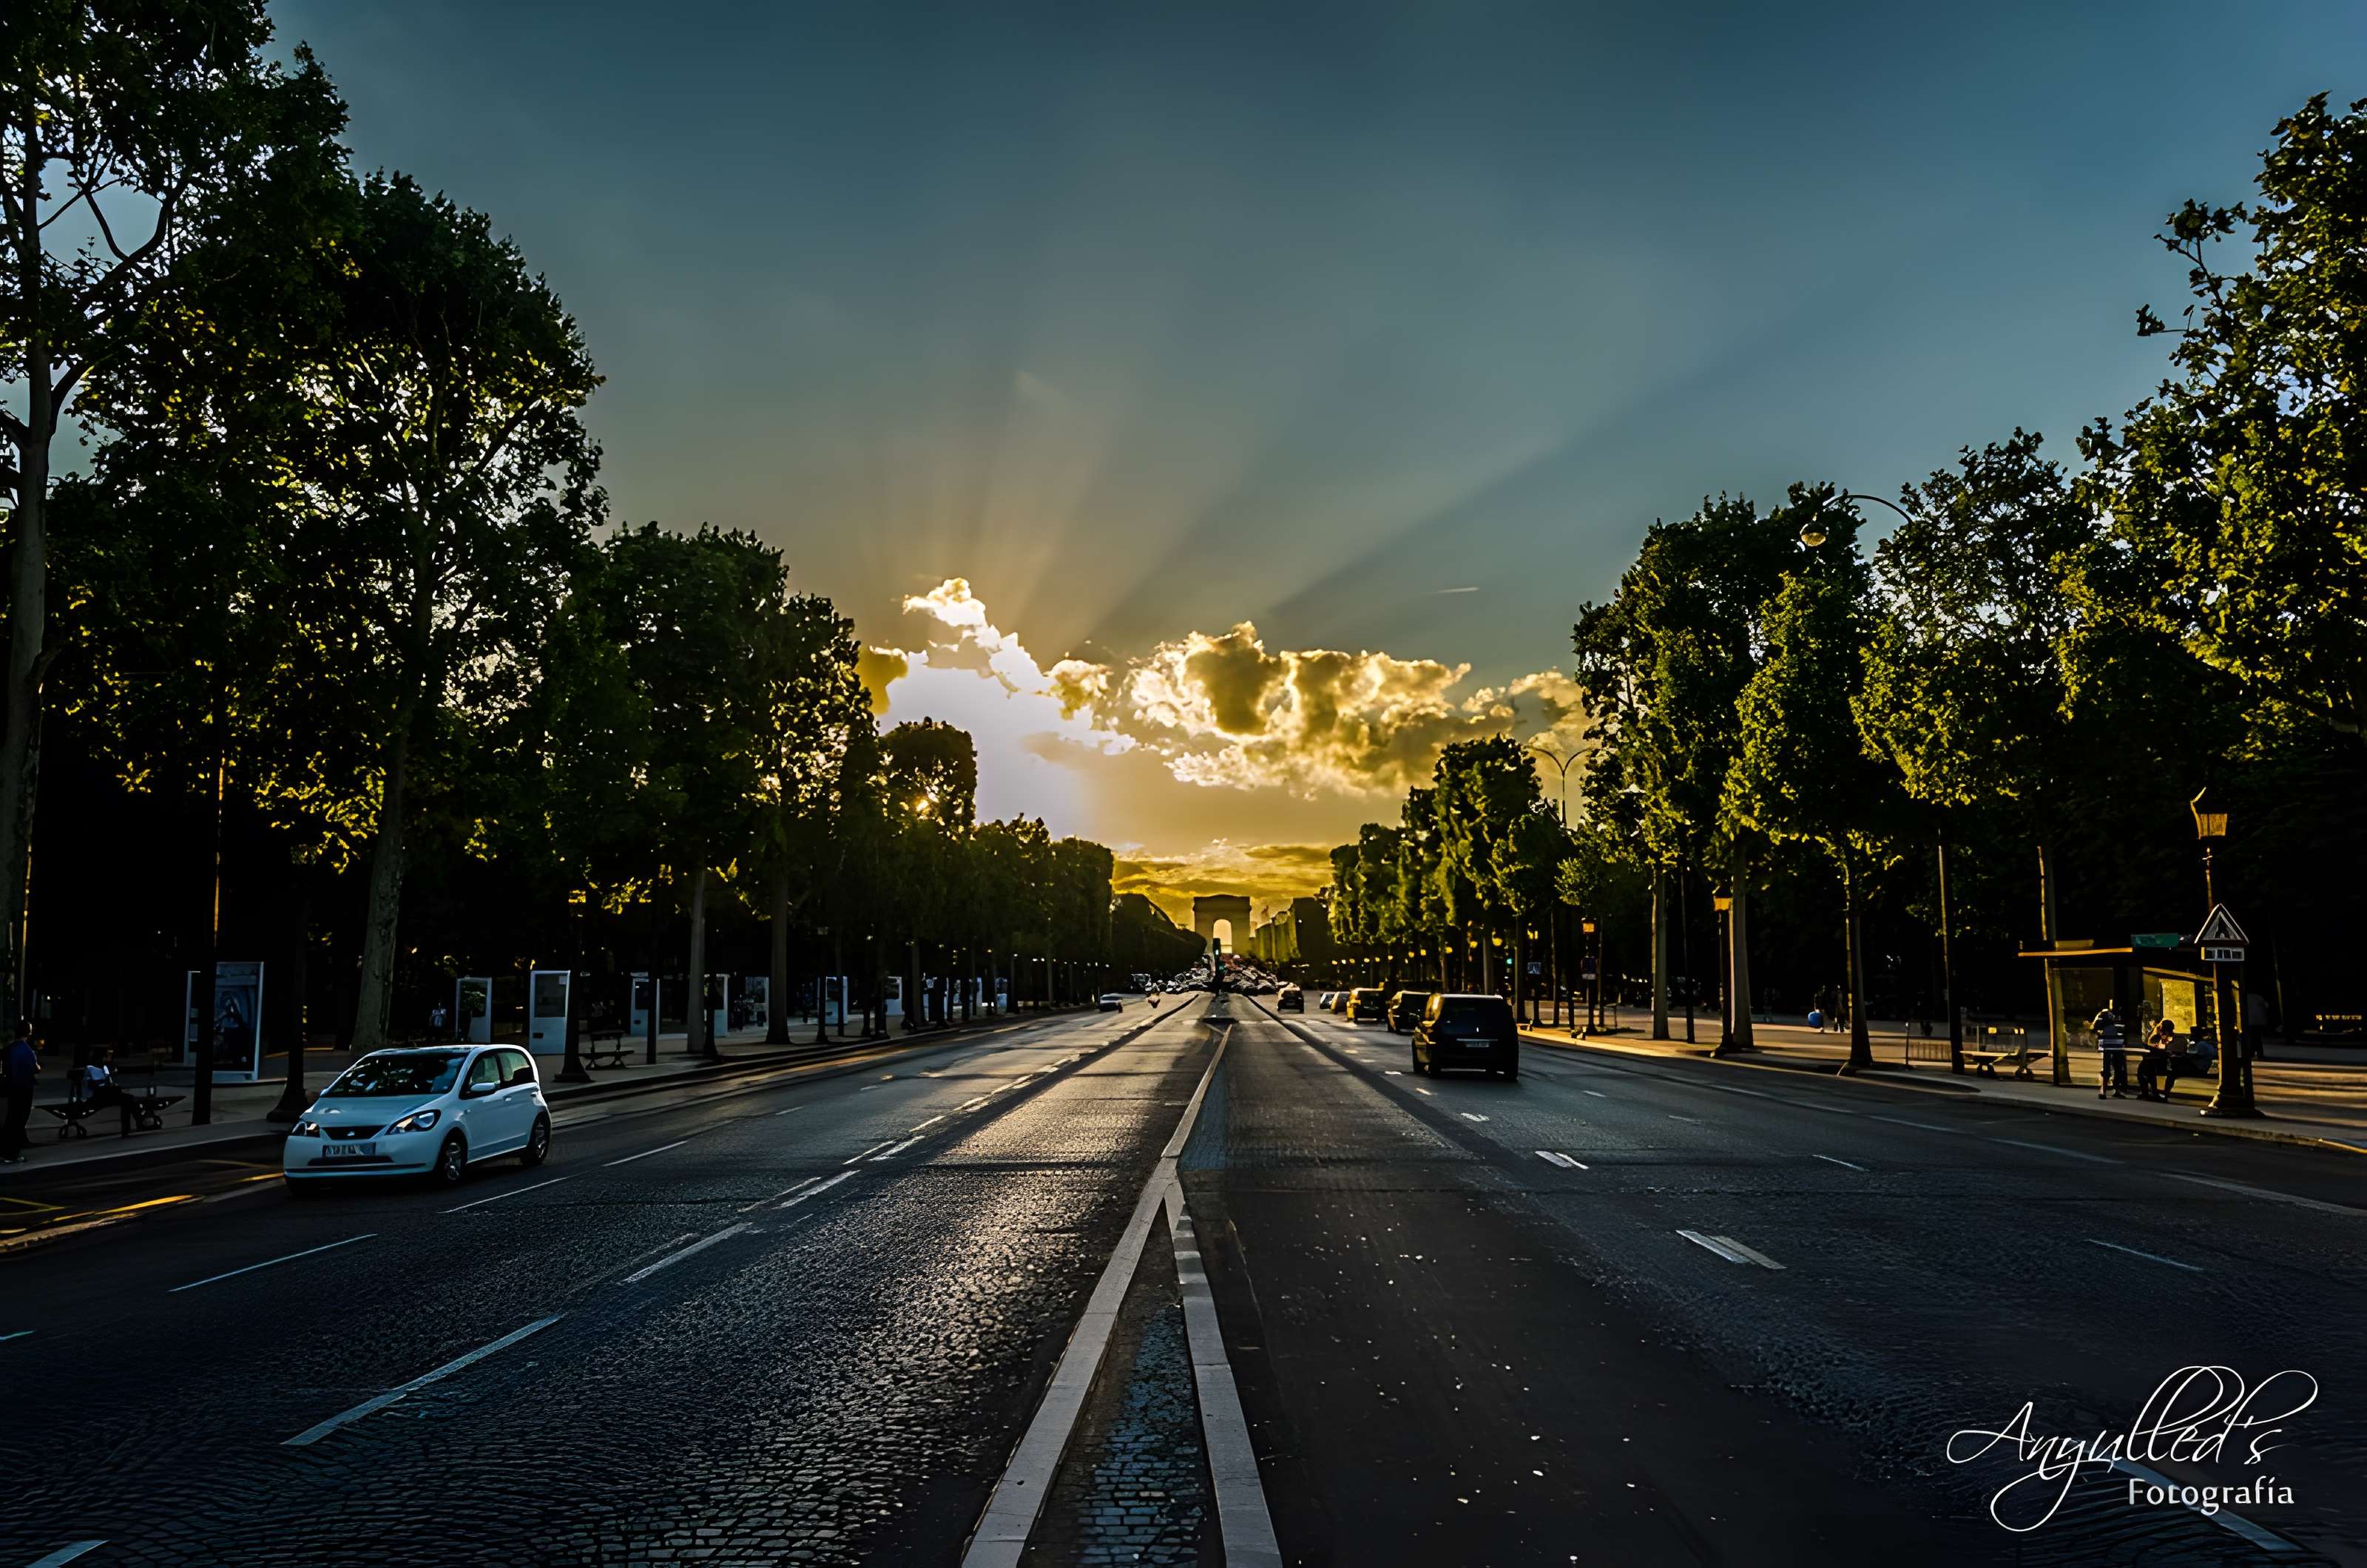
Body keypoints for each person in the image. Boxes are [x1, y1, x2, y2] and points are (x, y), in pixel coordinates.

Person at [82, 1047, 138, 1138]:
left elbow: (108, 1082)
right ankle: (134, 1123)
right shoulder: (91, 1069)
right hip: (99, 1096)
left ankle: (131, 1125)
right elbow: (94, 1086)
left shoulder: (103, 1067)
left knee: (128, 1099)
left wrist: (112, 1085)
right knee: (128, 1099)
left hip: (105, 1094)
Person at [1, 1023, 36, 1162]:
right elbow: (34, 1068)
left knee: (11, 1119)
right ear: (28, 1033)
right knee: (19, 1120)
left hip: (11, 1087)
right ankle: (12, 1154)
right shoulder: (27, 1050)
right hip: (24, 1088)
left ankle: (5, 1151)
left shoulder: (9, 1049)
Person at [2135, 1017, 2181, 1101]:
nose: (2160, 1030)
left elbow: (2173, 1051)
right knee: (2144, 1068)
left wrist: (2164, 1049)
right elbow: (2149, 1044)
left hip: (2167, 1064)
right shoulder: (2157, 1037)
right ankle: (2147, 1092)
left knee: (2147, 1068)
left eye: (2162, 1028)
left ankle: (2154, 1093)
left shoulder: (2176, 1040)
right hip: (2155, 1062)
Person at [2093, 1002, 2130, 1099]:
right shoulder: (2116, 1019)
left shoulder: (2106, 1016)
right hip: (2116, 1046)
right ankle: (2111, 1090)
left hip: (2108, 1045)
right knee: (2116, 1068)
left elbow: (2097, 1029)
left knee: (2108, 1068)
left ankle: (2104, 1090)